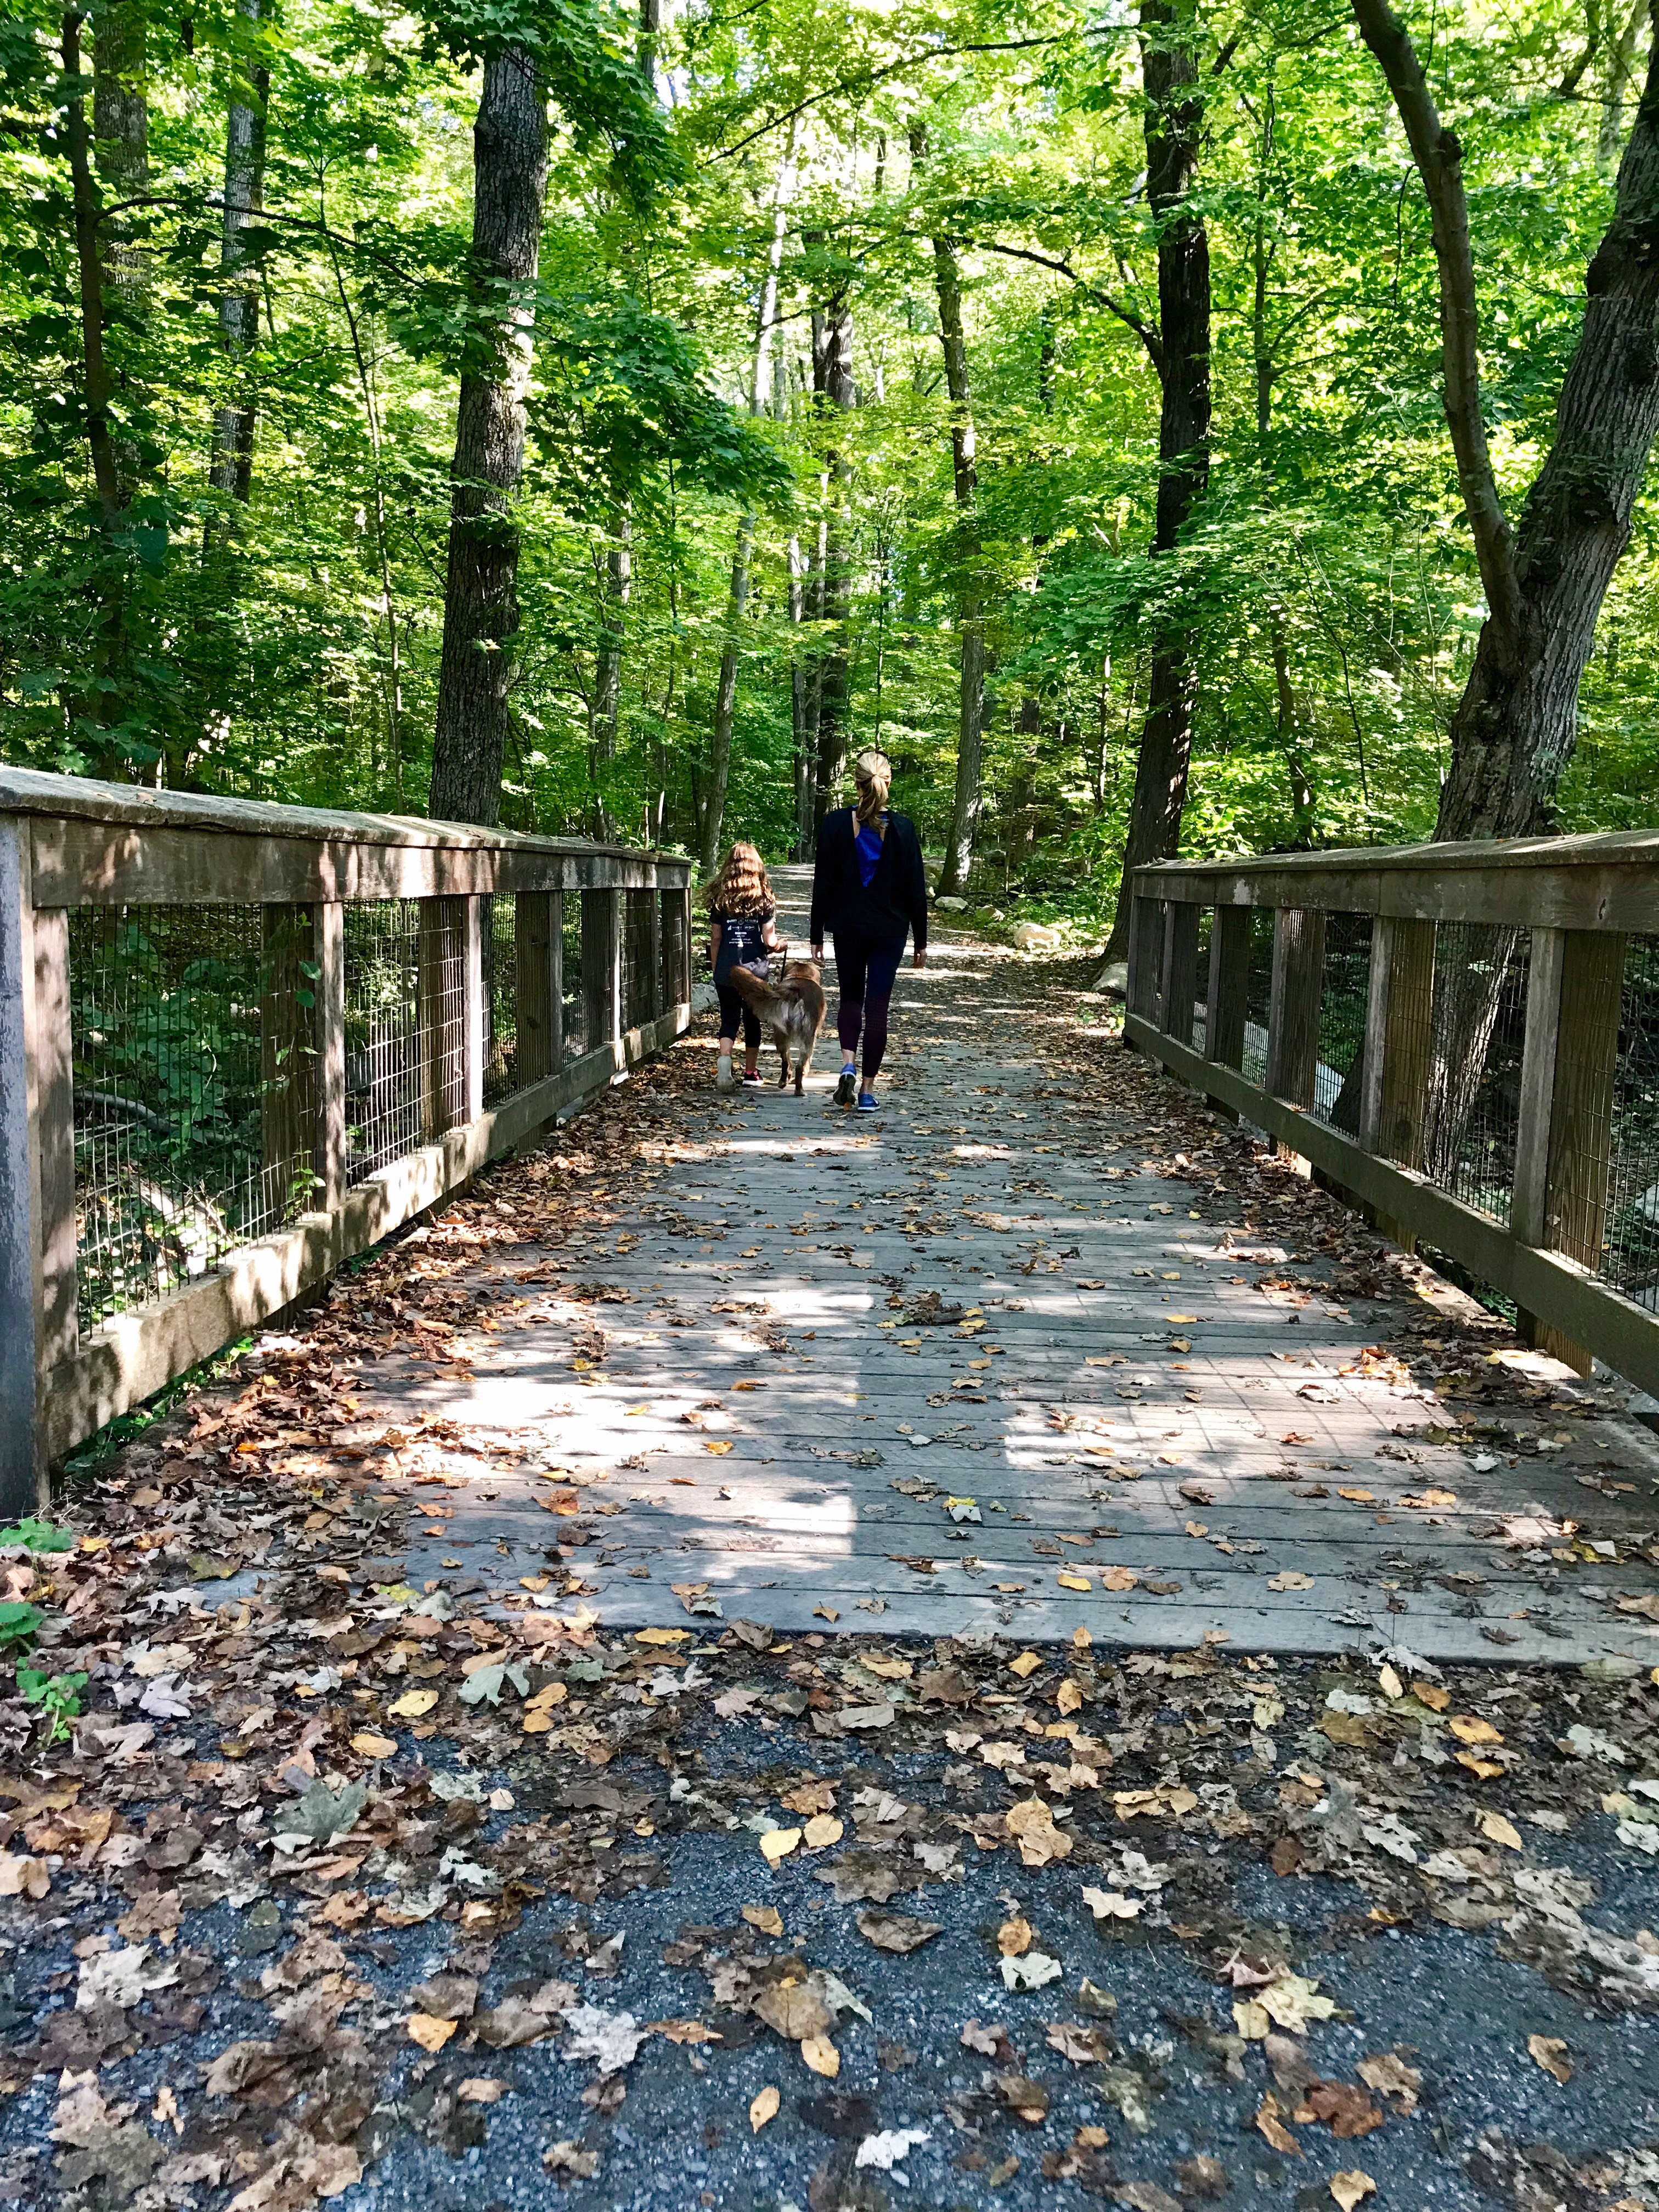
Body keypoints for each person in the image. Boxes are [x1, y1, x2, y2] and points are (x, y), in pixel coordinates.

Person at [809, 748, 928, 1113]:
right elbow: (915, 889)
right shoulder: (905, 829)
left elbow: (824, 884)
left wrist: (816, 934)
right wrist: (921, 941)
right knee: (877, 1007)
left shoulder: (833, 824)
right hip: (889, 930)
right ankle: (868, 1091)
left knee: (850, 999)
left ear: (857, 783)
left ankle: (847, 1063)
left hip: (847, 927)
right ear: (887, 782)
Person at [706, 841, 781, 1091]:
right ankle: (750, 1072)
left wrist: (717, 970)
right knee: (752, 1020)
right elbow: (769, 941)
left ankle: (725, 1064)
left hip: (727, 970)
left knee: (728, 1019)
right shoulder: (764, 898)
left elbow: (716, 939)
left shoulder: (721, 899)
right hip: (755, 972)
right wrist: (780, 945)